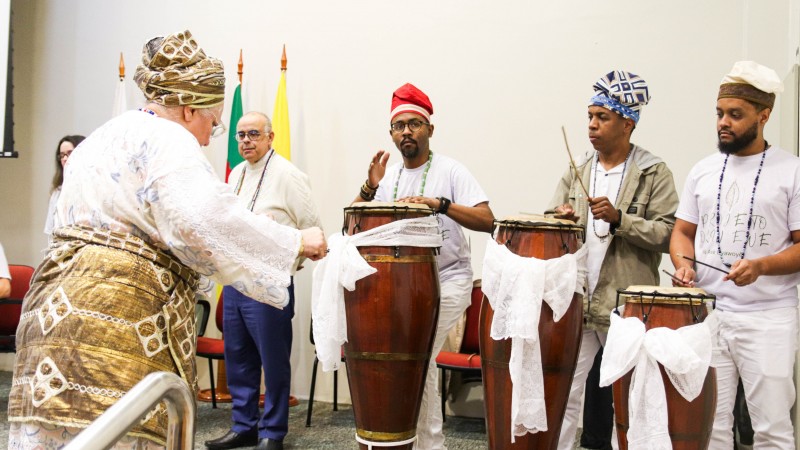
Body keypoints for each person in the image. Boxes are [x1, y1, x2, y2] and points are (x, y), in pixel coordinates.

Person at [6, 30, 326, 449]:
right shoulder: (169, 139)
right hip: (114, 320)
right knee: (118, 431)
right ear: (190, 107)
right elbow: (202, 222)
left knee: (57, 433)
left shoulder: (99, 138)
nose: (214, 135)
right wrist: (294, 243)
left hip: (50, 318)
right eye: (213, 121)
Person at [355, 83, 494, 450]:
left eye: (414, 124)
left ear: (430, 129)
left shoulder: (451, 170)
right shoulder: (389, 179)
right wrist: (370, 189)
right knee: (417, 359)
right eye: (399, 126)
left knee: (420, 356)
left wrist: (440, 204)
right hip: (402, 287)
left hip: (448, 279)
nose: (406, 132)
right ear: (391, 134)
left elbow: (487, 219)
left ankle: (429, 444)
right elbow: (351, 227)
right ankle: (417, 441)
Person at [546, 70, 678, 450]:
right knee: (567, 390)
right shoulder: (580, 169)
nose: (591, 125)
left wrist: (621, 219)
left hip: (626, 303)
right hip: (577, 298)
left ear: (627, 123)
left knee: (631, 396)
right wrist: (561, 217)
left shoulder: (653, 172)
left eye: (601, 117)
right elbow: (550, 215)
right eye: (589, 116)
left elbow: (669, 234)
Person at [670, 60, 800, 448]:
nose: (723, 122)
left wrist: (761, 266)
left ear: (764, 115)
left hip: (768, 319)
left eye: (735, 115)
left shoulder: (791, 171)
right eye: (720, 113)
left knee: (772, 430)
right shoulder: (703, 170)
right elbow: (682, 232)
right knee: (710, 428)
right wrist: (684, 265)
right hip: (708, 316)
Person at [205, 112, 322, 450]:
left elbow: (312, 228)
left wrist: (286, 264)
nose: (246, 141)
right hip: (236, 281)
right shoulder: (237, 174)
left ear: (270, 137)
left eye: (254, 134)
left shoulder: (288, 175)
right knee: (239, 359)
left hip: (269, 283)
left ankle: (272, 432)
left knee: (273, 361)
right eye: (240, 135)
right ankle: (244, 426)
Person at [45, 135, 85, 241]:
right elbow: (50, 232)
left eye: (70, 153)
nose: (65, 158)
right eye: (62, 155)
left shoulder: (90, 189)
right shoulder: (57, 192)